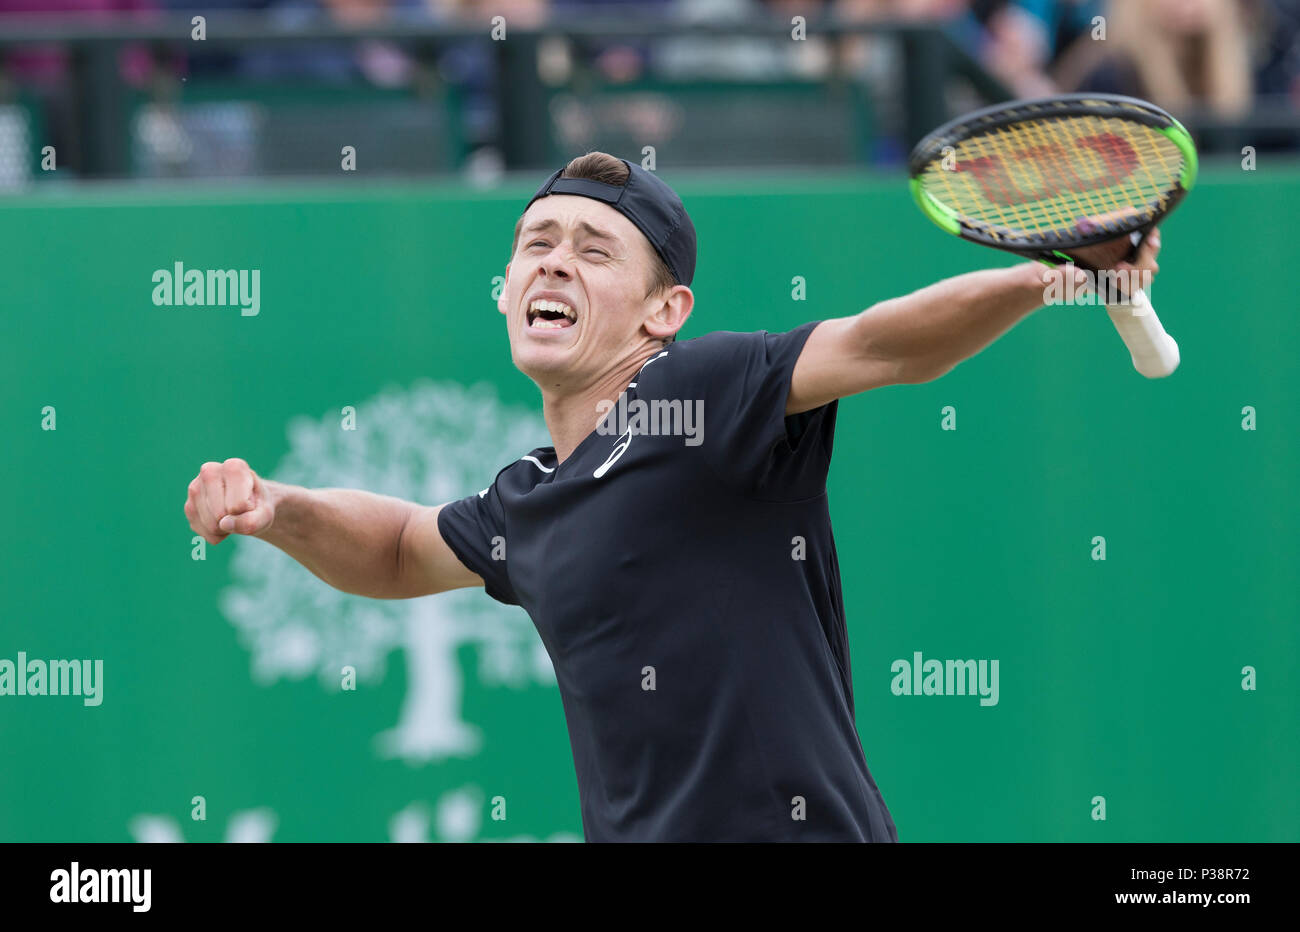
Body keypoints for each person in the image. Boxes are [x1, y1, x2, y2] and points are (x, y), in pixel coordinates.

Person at [184, 150, 1160, 842]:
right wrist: (280, 509)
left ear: (665, 311)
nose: (554, 260)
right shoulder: (528, 498)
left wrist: (1048, 281)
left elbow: (885, 342)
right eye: (536, 243)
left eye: (593, 249)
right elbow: (399, 549)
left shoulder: (698, 394)